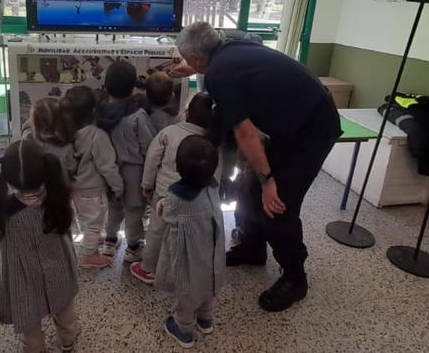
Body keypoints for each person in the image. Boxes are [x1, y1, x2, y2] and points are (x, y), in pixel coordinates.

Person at [172, 22, 342, 312]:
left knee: (277, 205)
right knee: (249, 190)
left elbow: (246, 133)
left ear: (199, 58)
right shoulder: (230, 47)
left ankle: (295, 278)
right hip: (295, 120)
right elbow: (237, 75)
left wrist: (269, 179)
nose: (188, 64)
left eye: (189, 60)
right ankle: (253, 249)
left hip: (312, 129)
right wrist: (195, 69)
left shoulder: (218, 74)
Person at [0, 140, 80, 353]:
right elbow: (71, 233)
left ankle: (34, 348)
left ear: (5, 175)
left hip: (20, 278)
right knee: (65, 312)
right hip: (59, 271)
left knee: (30, 325)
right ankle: (67, 341)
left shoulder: (1, 211)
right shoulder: (58, 204)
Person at [130, 92, 214, 285]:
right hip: (196, 197)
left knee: (157, 230)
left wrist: (147, 185)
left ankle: (148, 269)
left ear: (186, 111)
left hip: (164, 194)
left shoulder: (169, 132)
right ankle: (182, 269)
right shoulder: (211, 139)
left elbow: (152, 160)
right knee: (187, 233)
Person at [154, 136, 225, 349]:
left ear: (177, 166)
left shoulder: (177, 197)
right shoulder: (213, 187)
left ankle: (183, 329)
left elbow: (166, 215)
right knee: (209, 284)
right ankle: (205, 319)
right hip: (212, 251)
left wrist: (159, 205)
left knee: (186, 291)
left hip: (188, 256)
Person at [95, 61, 157, 262]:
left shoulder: (100, 113)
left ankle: (110, 243)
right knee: (134, 211)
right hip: (134, 172)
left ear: (106, 86)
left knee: (114, 208)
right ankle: (132, 248)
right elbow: (149, 147)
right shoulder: (138, 116)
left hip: (109, 170)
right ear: (132, 87)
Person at [63, 86, 123, 268]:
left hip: (75, 188)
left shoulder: (66, 132)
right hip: (93, 189)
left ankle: (89, 239)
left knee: (84, 217)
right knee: (95, 222)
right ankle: (89, 254)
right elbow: (108, 167)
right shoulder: (98, 136)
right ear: (94, 110)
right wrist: (118, 187)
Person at [26, 97, 76, 177]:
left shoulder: (29, 142)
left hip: (36, 187)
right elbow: (72, 169)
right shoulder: (68, 146)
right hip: (60, 187)